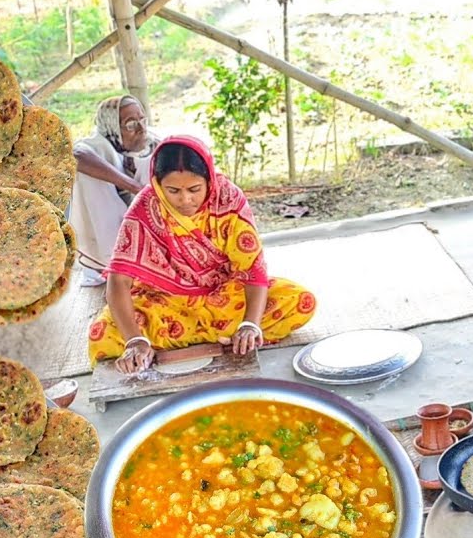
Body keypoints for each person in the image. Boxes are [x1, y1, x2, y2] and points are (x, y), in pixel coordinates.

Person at [87, 135, 317, 372]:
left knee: (299, 300)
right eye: (173, 190)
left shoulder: (228, 198)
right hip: (166, 304)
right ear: (157, 183)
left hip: (223, 298)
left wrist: (249, 324)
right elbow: (118, 280)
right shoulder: (146, 206)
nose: (185, 199)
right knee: (102, 335)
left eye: (194, 189)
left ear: (209, 180)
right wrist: (135, 341)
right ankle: (217, 338)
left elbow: (253, 270)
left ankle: (208, 338)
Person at [70, 96, 160, 286]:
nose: (141, 128)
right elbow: (76, 154)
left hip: (150, 230)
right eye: (130, 124)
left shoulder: (152, 141)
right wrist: (135, 187)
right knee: (87, 175)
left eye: (142, 120)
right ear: (112, 127)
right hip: (113, 229)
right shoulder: (98, 145)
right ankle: (112, 260)